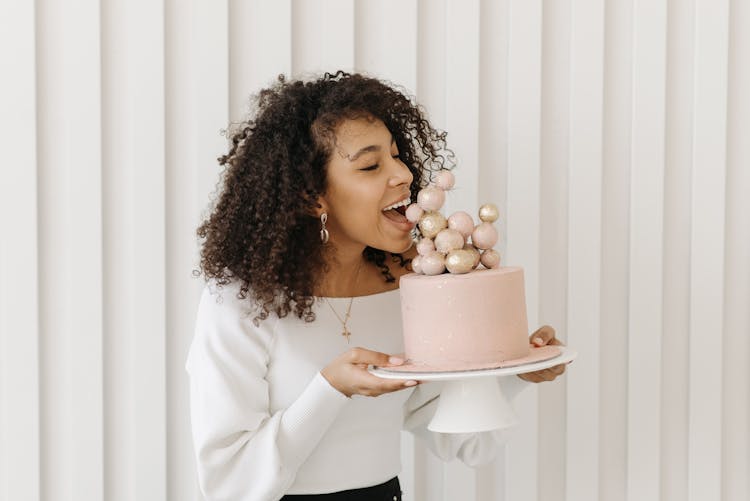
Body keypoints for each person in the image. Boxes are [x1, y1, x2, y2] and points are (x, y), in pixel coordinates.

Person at [187, 71, 566, 501]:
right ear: (314, 195)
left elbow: (460, 438)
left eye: (396, 155)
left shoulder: (410, 284)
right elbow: (228, 484)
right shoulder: (242, 301)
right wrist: (331, 389)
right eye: (370, 165)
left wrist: (516, 374)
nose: (403, 174)